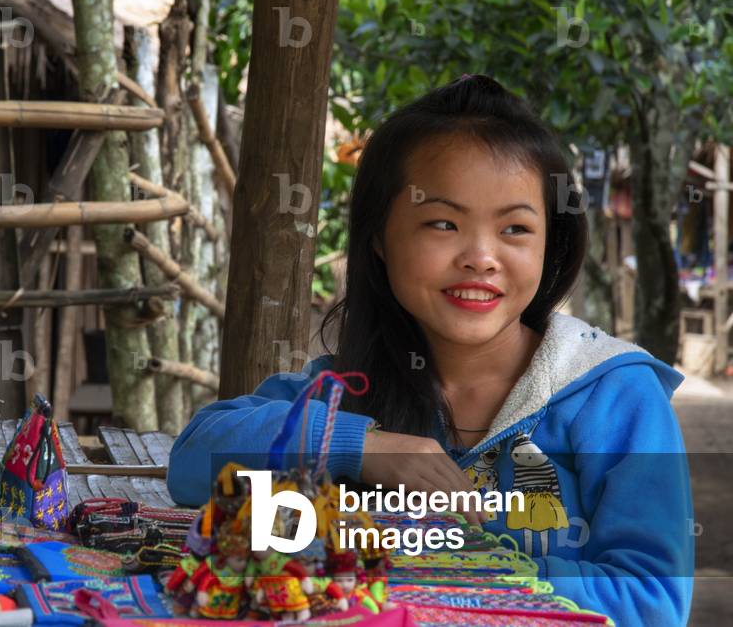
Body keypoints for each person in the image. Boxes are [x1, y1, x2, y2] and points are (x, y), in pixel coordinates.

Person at [167, 75, 694, 627]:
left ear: (550, 244)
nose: (481, 257)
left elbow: (653, 603)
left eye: (515, 228)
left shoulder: (615, 397)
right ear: (379, 237)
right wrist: (363, 448)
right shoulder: (348, 394)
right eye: (443, 222)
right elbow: (191, 461)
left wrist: (445, 570)